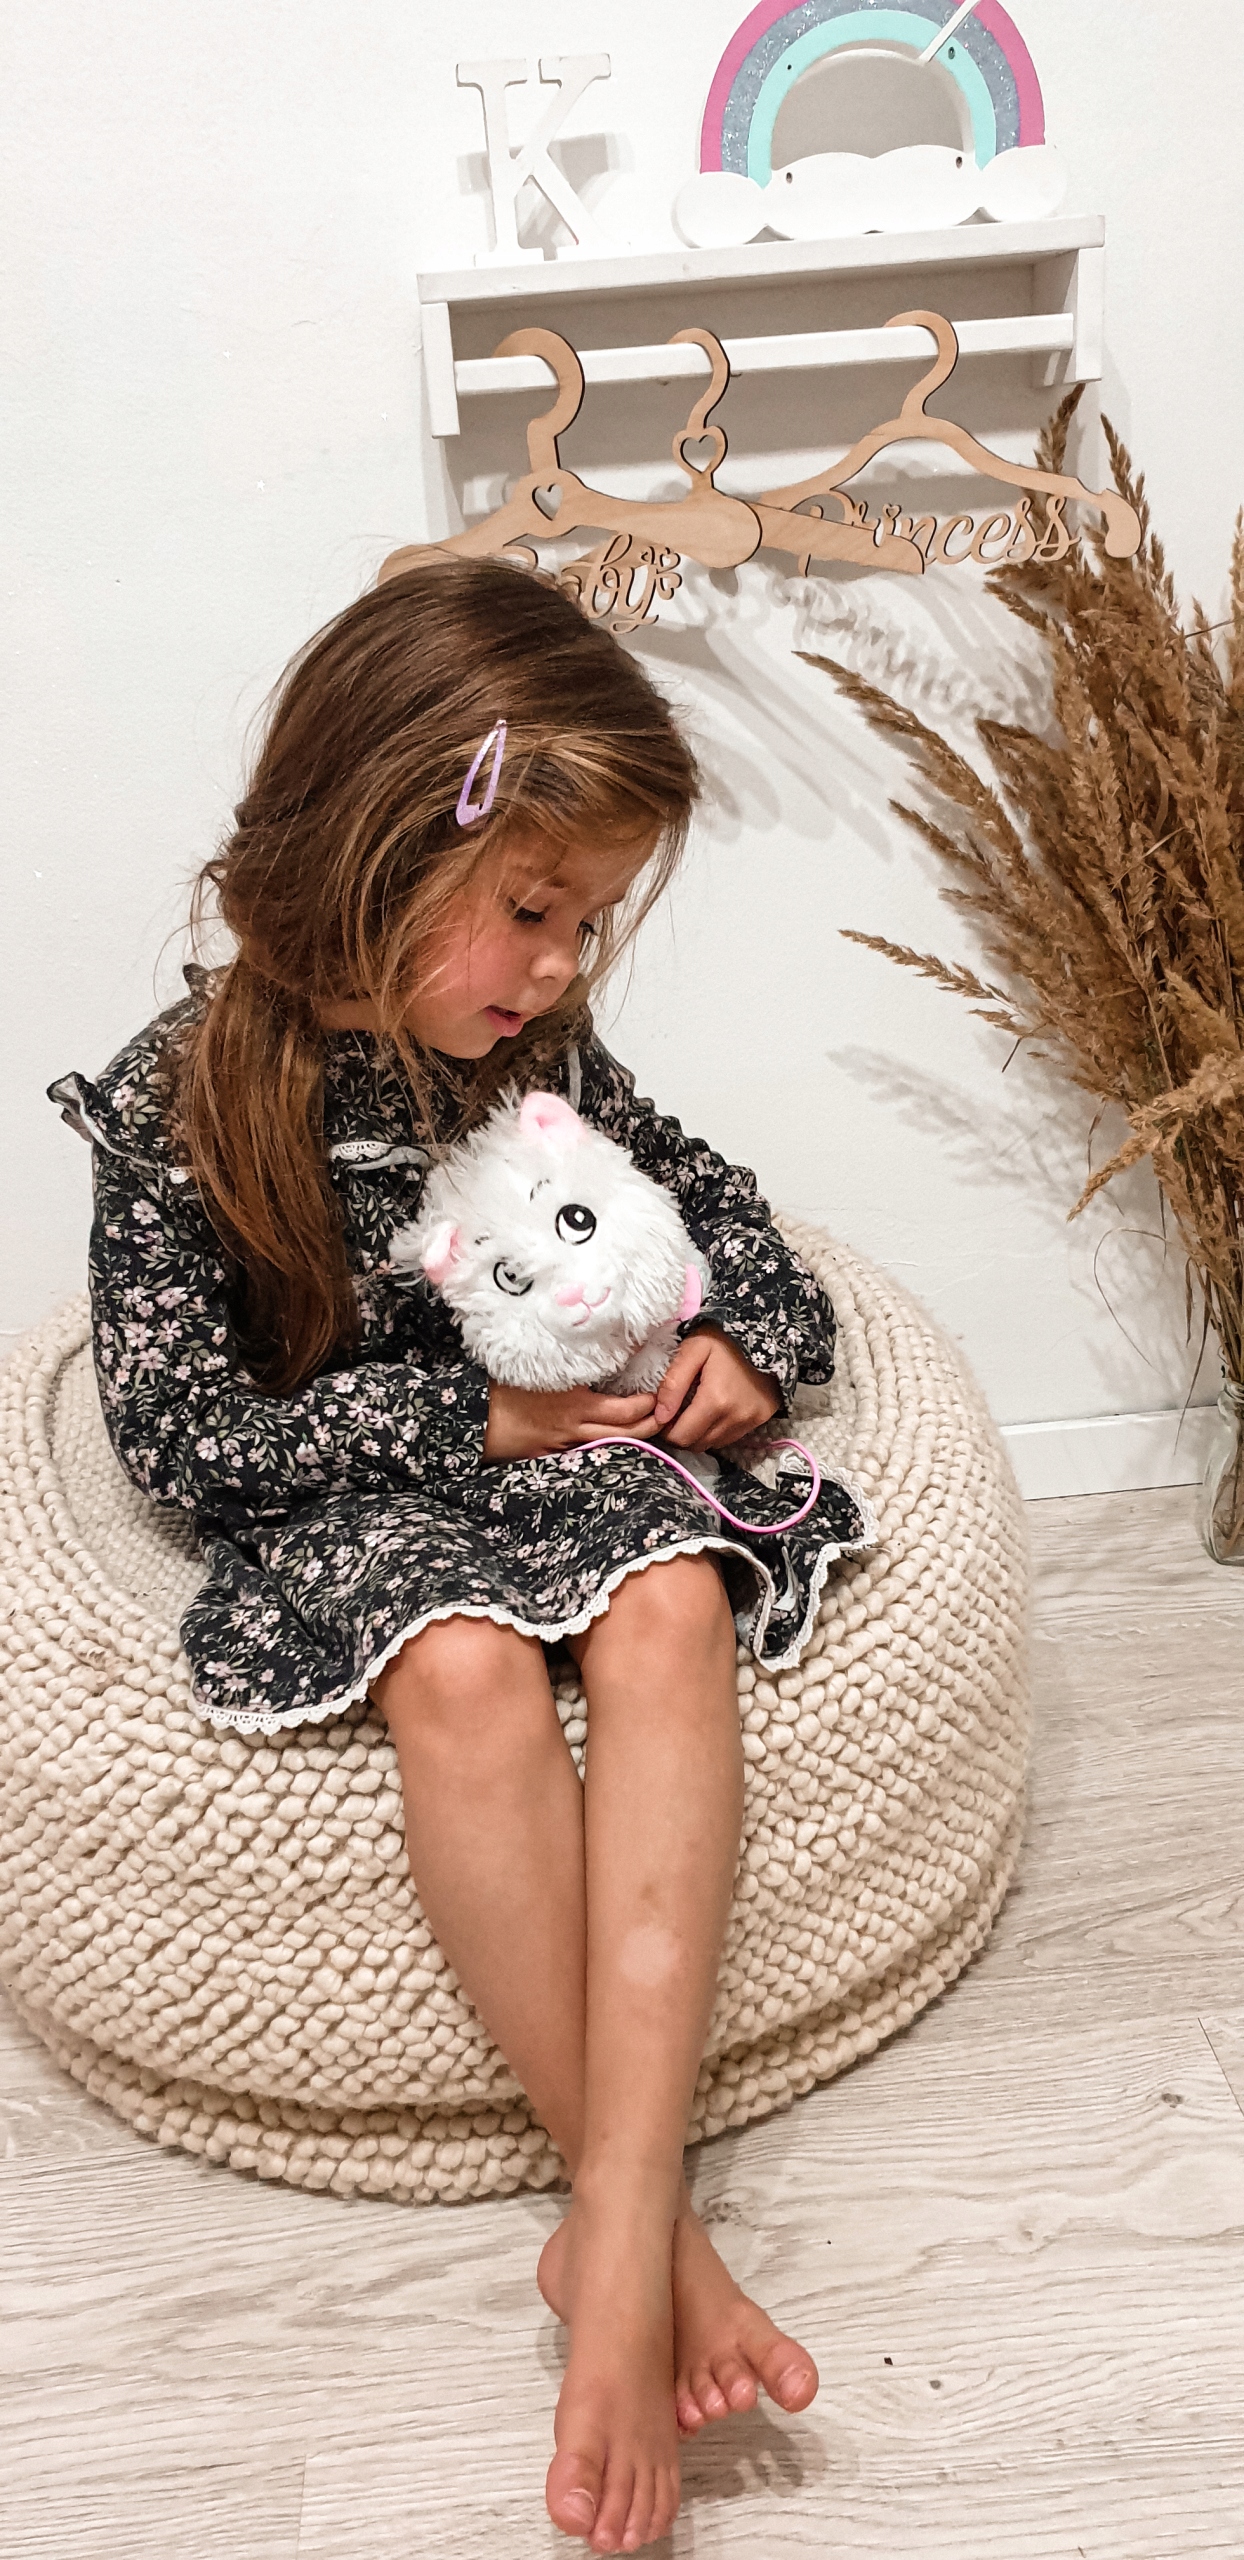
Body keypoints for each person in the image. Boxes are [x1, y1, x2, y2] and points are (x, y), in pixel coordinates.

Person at [50, 557, 871, 2556]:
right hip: (359, 1496)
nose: (560, 966)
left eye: (588, 924)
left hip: (559, 1464)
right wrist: (462, 1424)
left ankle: (612, 2223)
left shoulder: (533, 1066)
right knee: (463, 1667)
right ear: (378, 838)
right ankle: (653, 2244)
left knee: (668, 1598)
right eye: (532, 910)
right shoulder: (175, 1101)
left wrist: (748, 1346)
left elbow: (734, 1218)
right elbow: (182, 1437)